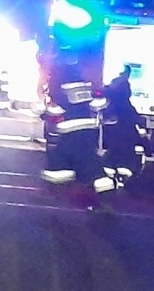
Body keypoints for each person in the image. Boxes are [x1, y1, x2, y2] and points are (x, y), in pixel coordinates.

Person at [41, 57, 113, 197]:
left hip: (71, 133)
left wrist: (44, 113)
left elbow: (56, 110)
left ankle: (54, 192)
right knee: (89, 162)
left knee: (60, 160)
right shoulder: (86, 87)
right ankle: (105, 196)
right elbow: (99, 104)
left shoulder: (61, 89)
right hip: (89, 132)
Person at [100, 65, 145, 187]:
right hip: (123, 131)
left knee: (115, 151)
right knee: (122, 152)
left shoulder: (115, 91)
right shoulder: (124, 99)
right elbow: (131, 113)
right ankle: (119, 176)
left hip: (116, 128)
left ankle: (113, 173)